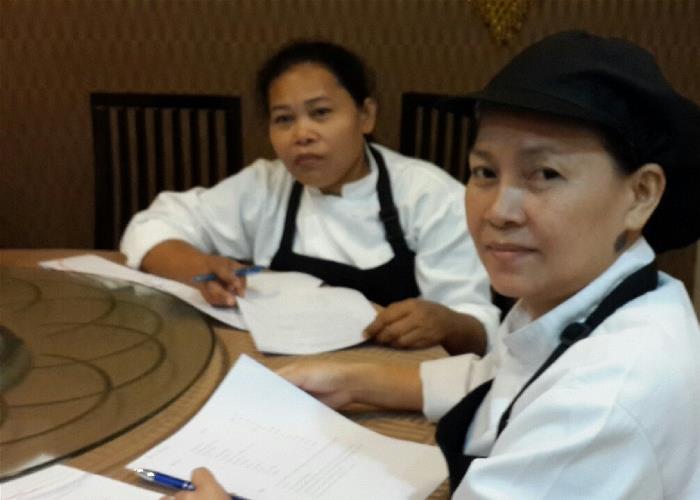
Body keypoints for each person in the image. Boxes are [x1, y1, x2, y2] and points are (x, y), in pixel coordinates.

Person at [171, 31, 700, 499]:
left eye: (545, 174)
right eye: (484, 171)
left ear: (640, 194)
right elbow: (503, 377)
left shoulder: (601, 403)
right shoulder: (593, 298)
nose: (498, 211)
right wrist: (354, 381)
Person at [120, 41, 499, 354]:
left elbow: (479, 328)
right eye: (284, 119)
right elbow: (151, 225)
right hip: (280, 371)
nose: (302, 134)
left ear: (366, 115)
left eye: (320, 113)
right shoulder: (267, 184)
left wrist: (447, 322)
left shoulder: (428, 195)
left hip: (394, 381)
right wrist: (201, 266)